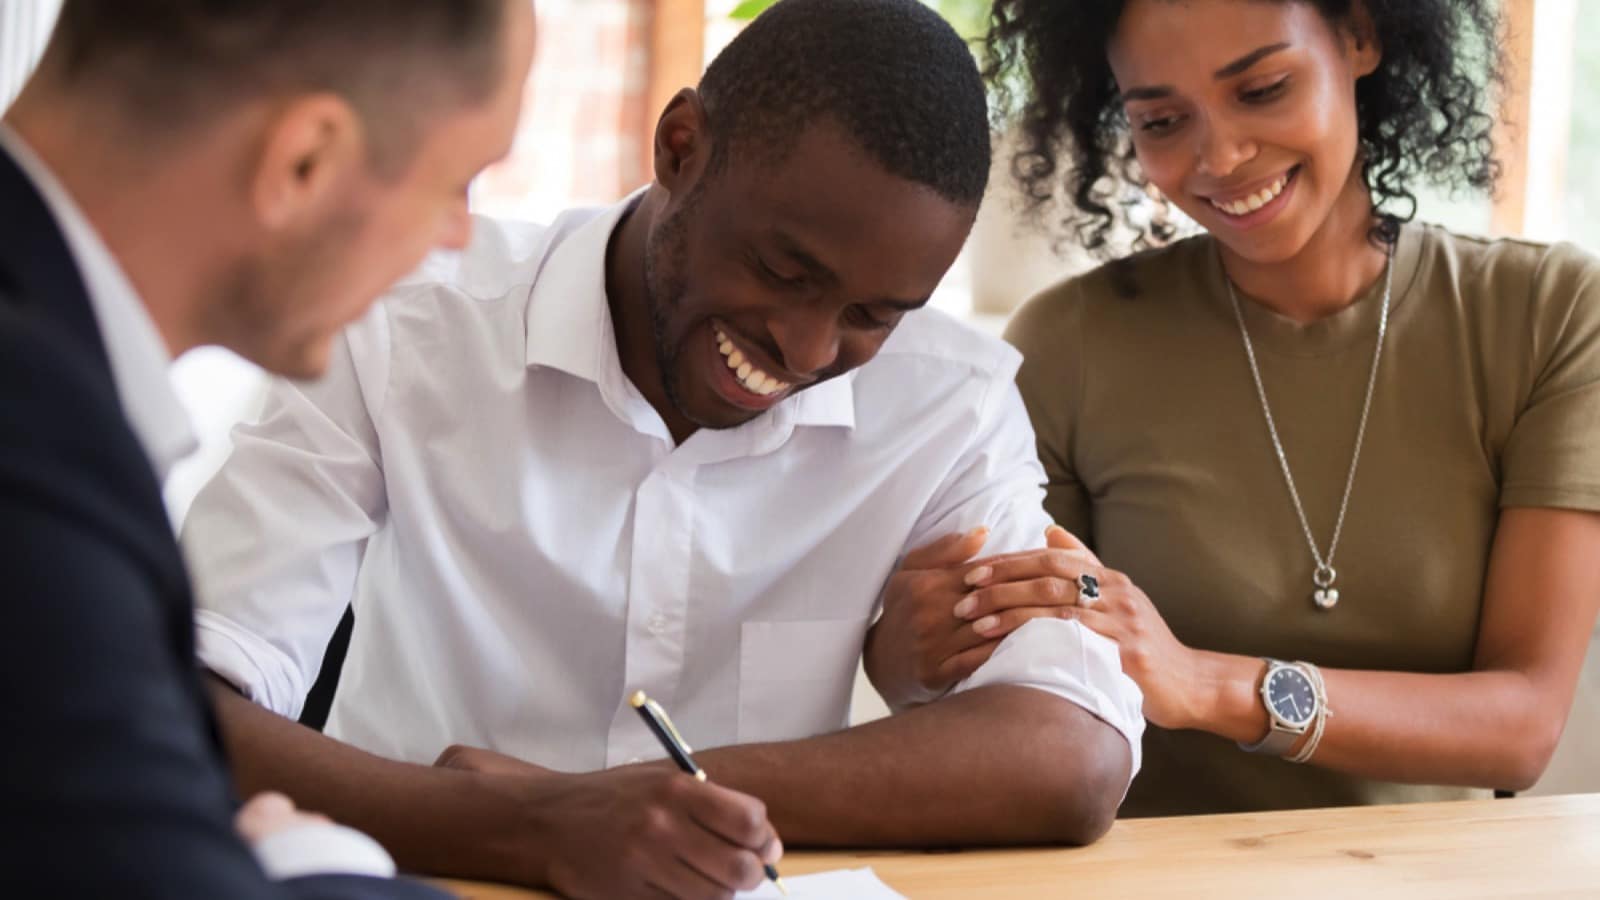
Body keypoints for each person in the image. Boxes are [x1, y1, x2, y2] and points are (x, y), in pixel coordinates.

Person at [181, 1, 1145, 897]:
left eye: (871, 315)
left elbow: (1073, 753)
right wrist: (527, 830)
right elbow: (184, 704)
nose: (808, 351)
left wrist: (613, 803)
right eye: (782, 269)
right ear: (680, 147)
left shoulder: (948, 404)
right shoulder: (404, 326)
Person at [918, 0, 1600, 816]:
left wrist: (1206, 685)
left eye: (1264, 88)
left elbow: (1522, 726)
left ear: (1360, 37)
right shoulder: (1072, 346)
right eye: (1163, 120)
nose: (1222, 156)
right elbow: (1033, 697)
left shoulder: (1548, 314)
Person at [0, 1, 536, 895]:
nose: (458, 238)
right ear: (303, 162)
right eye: (458, 184)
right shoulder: (35, 451)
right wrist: (315, 862)